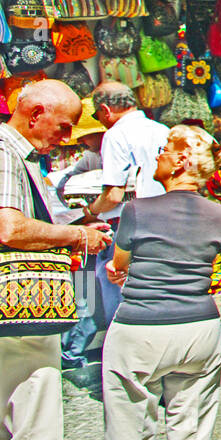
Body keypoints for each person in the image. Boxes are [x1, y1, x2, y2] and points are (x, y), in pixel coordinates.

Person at [0, 80, 111, 440]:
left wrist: (77, 227)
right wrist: (75, 235)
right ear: (35, 113)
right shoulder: (3, 154)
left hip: (14, 316)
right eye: (63, 126)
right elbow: (9, 228)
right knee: (34, 431)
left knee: (5, 426)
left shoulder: (17, 156)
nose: (66, 137)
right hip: (19, 314)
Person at [101, 124, 221, 440]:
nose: (157, 156)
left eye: (165, 150)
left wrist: (117, 271)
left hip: (140, 328)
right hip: (199, 327)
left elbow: (119, 263)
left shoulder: (137, 210)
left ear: (181, 161)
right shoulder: (218, 214)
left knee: (129, 439)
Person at [63, 83, 170, 368]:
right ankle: (158, 360)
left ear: (106, 110)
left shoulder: (117, 135)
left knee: (119, 294)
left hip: (128, 224)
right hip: (163, 221)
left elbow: (113, 194)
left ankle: (131, 363)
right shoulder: (161, 130)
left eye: (98, 115)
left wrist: (87, 212)